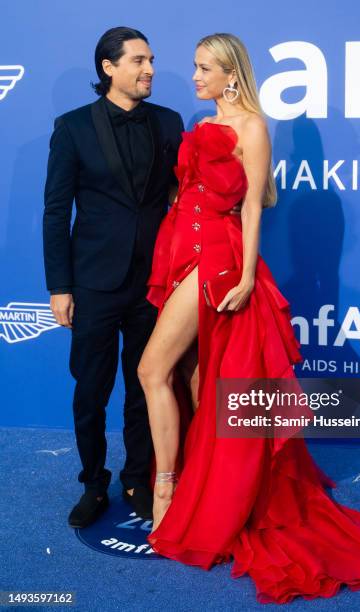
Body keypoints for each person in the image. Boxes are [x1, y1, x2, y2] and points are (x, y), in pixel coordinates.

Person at [137, 33, 360, 604]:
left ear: (232, 73)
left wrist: (249, 274)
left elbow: (256, 202)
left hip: (218, 261)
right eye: (194, 67)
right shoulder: (204, 123)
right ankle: (203, 494)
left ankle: (166, 489)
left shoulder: (252, 126)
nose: (194, 77)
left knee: (152, 370)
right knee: (197, 379)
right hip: (183, 250)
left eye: (204, 68)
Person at [43, 27, 184, 528]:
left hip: (154, 283)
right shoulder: (74, 126)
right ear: (109, 67)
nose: (149, 69)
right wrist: (59, 286)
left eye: (151, 60)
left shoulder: (169, 122)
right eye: (139, 61)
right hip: (94, 283)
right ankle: (94, 482)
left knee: (147, 385)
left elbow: (179, 198)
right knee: (91, 390)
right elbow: (56, 210)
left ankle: (137, 478)